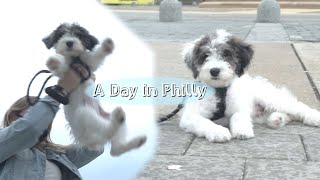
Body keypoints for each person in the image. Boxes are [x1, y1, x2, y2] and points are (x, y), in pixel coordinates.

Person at [0, 67, 103, 180]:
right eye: (34, 111)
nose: (43, 119)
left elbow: (94, 147)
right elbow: (29, 128)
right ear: (12, 116)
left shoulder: (58, 155)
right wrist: (61, 90)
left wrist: (83, 94)